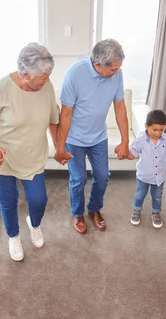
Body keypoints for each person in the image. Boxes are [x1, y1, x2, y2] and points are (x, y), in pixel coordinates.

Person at [0, 43, 59, 262]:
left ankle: (35, 224)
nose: (47, 80)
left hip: (33, 156)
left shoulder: (46, 87)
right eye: (42, 76)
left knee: (38, 200)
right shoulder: (0, 89)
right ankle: (13, 237)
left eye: (49, 75)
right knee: (8, 202)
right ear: (25, 74)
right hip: (3, 159)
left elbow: (54, 121)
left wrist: (59, 147)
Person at [55, 39, 130, 234]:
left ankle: (94, 209)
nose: (116, 72)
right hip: (75, 139)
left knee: (103, 177)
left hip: (98, 136)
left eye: (118, 68)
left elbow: (120, 107)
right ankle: (77, 213)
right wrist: (60, 148)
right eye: (113, 69)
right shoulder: (73, 75)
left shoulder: (117, 73)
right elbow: (65, 114)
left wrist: (125, 142)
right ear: (98, 64)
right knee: (78, 179)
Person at [126, 109, 166, 229]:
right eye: (155, 130)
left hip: (160, 176)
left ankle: (156, 212)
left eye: (161, 130)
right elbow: (133, 154)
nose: (158, 133)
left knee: (157, 196)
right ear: (146, 126)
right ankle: (136, 210)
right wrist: (124, 154)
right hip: (144, 175)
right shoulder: (140, 140)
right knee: (140, 194)